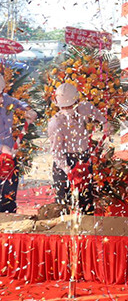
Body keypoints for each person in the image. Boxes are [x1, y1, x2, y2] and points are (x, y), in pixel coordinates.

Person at [47, 82, 108, 214]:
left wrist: (105, 123)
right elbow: (56, 151)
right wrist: (67, 169)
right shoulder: (56, 123)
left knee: (86, 199)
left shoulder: (85, 108)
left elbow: (97, 114)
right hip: (65, 161)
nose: (67, 109)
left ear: (77, 102)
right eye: (64, 107)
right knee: (64, 201)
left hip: (84, 159)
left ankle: (87, 223)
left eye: (70, 106)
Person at [0, 74, 37, 213]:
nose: (1, 99)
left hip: (10, 155)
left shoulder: (7, 100)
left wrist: (29, 110)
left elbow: (18, 103)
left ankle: (9, 215)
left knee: (9, 192)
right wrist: (1, 147)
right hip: (3, 152)